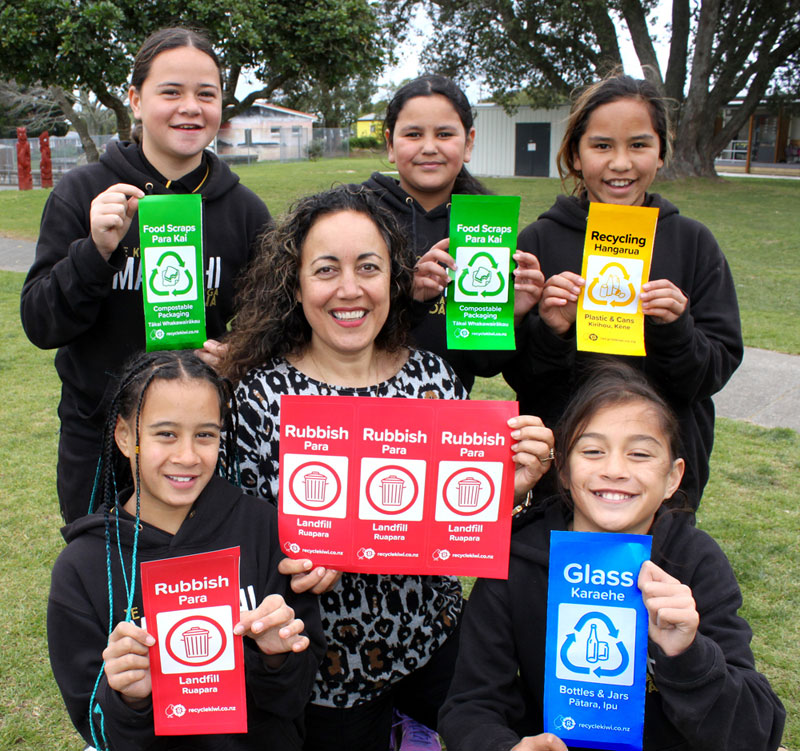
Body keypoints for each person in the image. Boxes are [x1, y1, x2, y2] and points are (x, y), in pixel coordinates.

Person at [221, 185, 555, 751]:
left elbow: (459, 520)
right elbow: (237, 544)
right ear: (295, 283)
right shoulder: (256, 398)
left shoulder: (435, 379)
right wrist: (290, 560)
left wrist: (511, 488)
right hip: (327, 671)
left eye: (368, 267)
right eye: (326, 269)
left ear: (394, 280)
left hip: (436, 638)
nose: (349, 290)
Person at [439, 361, 786, 751]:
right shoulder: (518, 559)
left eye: (639, 454)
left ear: (673, 477)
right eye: (592, 450)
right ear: (565, 472)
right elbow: (469, 706)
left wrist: (688, 654)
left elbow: (756, 733)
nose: (615, 470)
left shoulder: (695, 562)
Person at [20, 27, 271, 523]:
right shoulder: (84, 193)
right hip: (101, 438)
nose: (190, 108)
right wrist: (94, 252)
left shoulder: (244, 212)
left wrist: (235, 357)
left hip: (198, 446)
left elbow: (271, 327)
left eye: (206, 94)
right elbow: (41, 324)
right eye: (171, 92)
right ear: (135, 100)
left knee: (198, 585)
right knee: (109, 587)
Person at [47, 350, 325, 751]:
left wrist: (277, 658)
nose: (188, 456)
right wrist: (129, 696)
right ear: (125, 436)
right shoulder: (84, 568)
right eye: (166, 434)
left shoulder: (263, 529)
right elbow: (96, 725)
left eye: (205, 434)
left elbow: (295, 694)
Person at [503, 73, 743, 508]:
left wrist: (676, 327)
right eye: (601, 146)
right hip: (559, 472)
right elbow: (517, 375)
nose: (620, 163)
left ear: (662, 152)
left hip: (660, 476)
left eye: (638, 144)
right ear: (574, 155)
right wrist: (550, 331)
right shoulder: (539, 242)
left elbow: (712, 373)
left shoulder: (692, 243)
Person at [362, 75, 544, 392]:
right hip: (362, 409)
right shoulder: (356, 213)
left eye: (444, 134)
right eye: (413, 134)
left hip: (447, 422)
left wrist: (509, 317)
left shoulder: (487, 223)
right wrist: (410, 296)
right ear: (390, 144)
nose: (429, 147)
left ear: (469, 142)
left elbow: (485, 365)